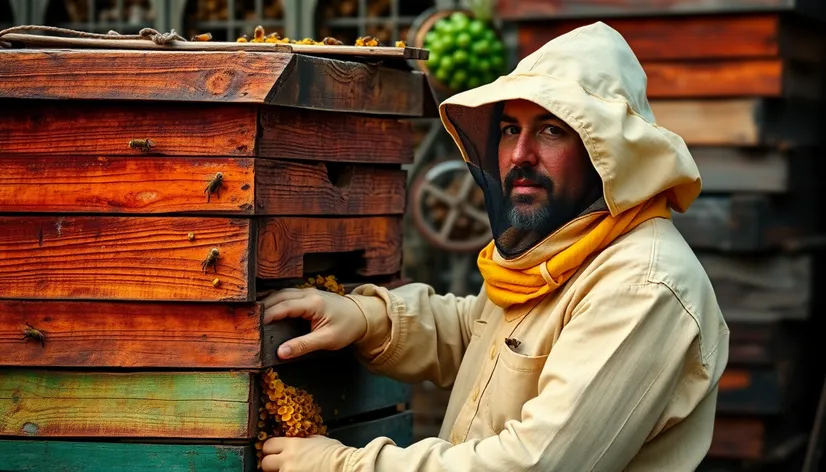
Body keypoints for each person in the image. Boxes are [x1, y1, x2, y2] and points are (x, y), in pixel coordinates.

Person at [258, 21, 729, 472]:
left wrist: (346, 465)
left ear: (608, 152)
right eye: (509, 130)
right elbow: (479, 335)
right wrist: (368, 318)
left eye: (551, 129)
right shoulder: (567, 247)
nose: (521, 155)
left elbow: (537, 463)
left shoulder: (640, 287)